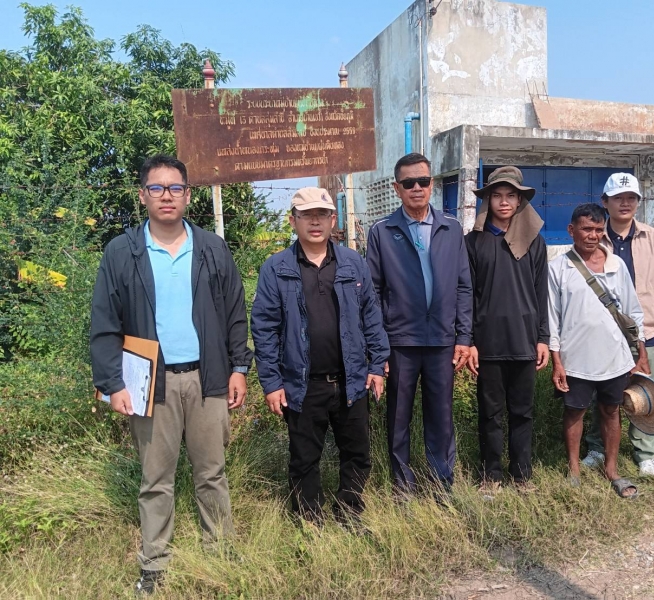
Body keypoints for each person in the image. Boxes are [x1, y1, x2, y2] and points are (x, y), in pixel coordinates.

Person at [90, 154, 252, 595]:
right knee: (155, 479)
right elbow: (105, 323)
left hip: (208, 379)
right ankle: (155, 564)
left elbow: (235, 312)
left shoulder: (212, 248)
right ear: (142, 195)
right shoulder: (122, 252)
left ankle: (221, 552)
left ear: (188, 195)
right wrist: (113, 384)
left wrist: (239, 367)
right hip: (150, 383)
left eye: (175, 188)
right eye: (157, 188)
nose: (167, 196)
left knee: (212, 473)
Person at [251, 187, 389, 521]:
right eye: (307, 215)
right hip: (302, 383)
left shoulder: (353, 263)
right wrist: (271, 383)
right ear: (293, 221)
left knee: (357, 453)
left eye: (322, 215)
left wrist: (377, 364)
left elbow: (371, 316)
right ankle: (309, 519)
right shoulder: (276, 268)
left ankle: (349, 511)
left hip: (351, 379)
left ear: (333, 220)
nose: (315, 222)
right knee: (304, 458)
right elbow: (264, 329)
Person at [366, 153, 473, 494]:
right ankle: (402, 484)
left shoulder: (451, 228)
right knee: (398, 416)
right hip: (400, 341)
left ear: (432, 185)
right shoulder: (382, 232)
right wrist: (379, 346)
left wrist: (464, 337)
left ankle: (441, 482)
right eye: (409, 182)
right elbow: (372, 293)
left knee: (441, 415)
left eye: (423, 181)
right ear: (397, 188)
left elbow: (463, 286)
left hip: (442, 339)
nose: (417, 188)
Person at [548, 203, 649, 499]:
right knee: (574, 411)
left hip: (615, 356)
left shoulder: (616, 266)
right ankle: (574, 470)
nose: (592, 235)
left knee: (611, 410)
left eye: (598, 230)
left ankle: (612, 469)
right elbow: (551, 318)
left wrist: (640, 352)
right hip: (575, 358)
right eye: (586, 229)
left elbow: (633, 312)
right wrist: (557, 362)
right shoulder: (558, 268)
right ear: (571, 230)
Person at [582, 173, 654, 477]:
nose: (625, 203)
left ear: (638, 201)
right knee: (600, 392)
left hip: (644, 329)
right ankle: (597, 448)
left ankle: (647, 453)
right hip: (603, 332)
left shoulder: (653, 238)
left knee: (645, 392)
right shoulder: (595, 236)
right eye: (618, 198)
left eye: (631, 198)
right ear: (605, 202)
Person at [464, 167, 549, 494]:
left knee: (522, 412)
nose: (503, 201)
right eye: (497, 195)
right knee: (490, 413)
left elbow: (541, 292)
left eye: (511, 195)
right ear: (487, 199)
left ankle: (522, 475)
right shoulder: (473, 242)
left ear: (519, 200)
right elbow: (468, 295)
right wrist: (470, 341)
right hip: (488, 343)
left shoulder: (535, 242)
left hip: (525, 340)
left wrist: (543, 338)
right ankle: (491, 474)